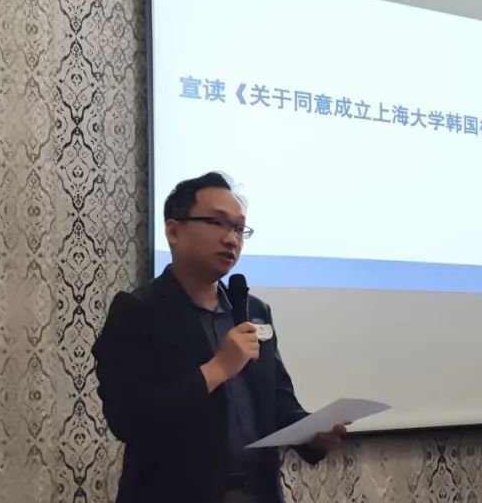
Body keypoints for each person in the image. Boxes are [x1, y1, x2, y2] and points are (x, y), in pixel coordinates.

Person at [92, 172, 347, 503]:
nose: (231, 239)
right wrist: (218, 369)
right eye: (217, 223)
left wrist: (312, 432)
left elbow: (279, 401)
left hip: (259, 493)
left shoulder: (253, 310)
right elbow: (128, 419)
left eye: (239, 229)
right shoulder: (138, 311)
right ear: (173, 231)